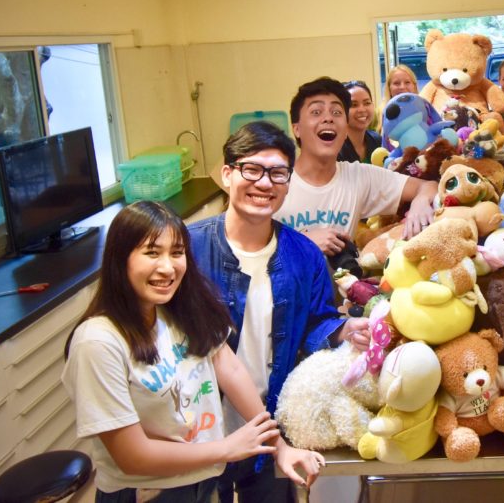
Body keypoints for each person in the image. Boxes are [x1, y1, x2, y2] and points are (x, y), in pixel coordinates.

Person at [63, 200, 325, 502]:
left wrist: (279, 446)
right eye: (152, 252)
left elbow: (231, 369)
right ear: (120, 259)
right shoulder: (98, 342)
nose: (168, 267)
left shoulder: (177, 309)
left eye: (177, 252)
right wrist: (226, 448)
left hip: (202, 479)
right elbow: (132, 456)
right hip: (148, 493)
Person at [187, 122, 370, 502]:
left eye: (277, 173)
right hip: (198, 425)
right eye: (252, 169)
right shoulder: (189, 249)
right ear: (227, 174)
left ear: (288, 183)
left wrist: (343, 329)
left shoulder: (304, 255)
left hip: (270, 423)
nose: (264, 183)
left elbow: (317, 321)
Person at [275, 77, 438, 256]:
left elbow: (428, 186)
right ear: (297, 129)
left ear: (345, 129)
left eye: (336, 112)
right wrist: (304, 244)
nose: (328, 118)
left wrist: (421, 202)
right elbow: (252, 249)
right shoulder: (274, 183)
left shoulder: (358, 176)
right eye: (316, 112)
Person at [337, 80, 382, 163]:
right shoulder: (335, 148)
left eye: (367, 103)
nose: (362, 109)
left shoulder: (377, 140)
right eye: (353, 105)